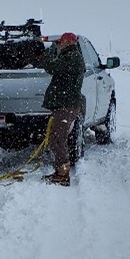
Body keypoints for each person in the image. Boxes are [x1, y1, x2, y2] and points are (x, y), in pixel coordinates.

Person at [38, 32, 85, 186]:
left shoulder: (72, 57)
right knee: (56, 139)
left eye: (61, 42)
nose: (59, 44)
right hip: (65, 105)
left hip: (66, 105)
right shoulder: (71, 56)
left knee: (57, 139)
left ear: (67, 42)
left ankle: (63, 174)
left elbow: (51, 67)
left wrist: (50, 50)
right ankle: (60, 171)